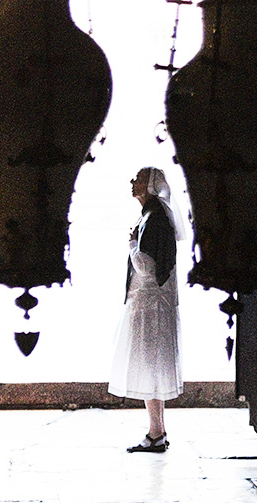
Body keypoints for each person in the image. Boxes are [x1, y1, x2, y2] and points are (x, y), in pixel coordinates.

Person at [109, 167, 183, 454]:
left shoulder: (153, 219)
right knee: (153, 365)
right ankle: (157, 431)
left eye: (138, 178)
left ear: (150, 186)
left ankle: (155, 433)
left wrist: (130, 243)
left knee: (150, 365)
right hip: (155, 303)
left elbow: (146, 267)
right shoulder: (155, 215)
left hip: (150, 304)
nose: (132, 182)